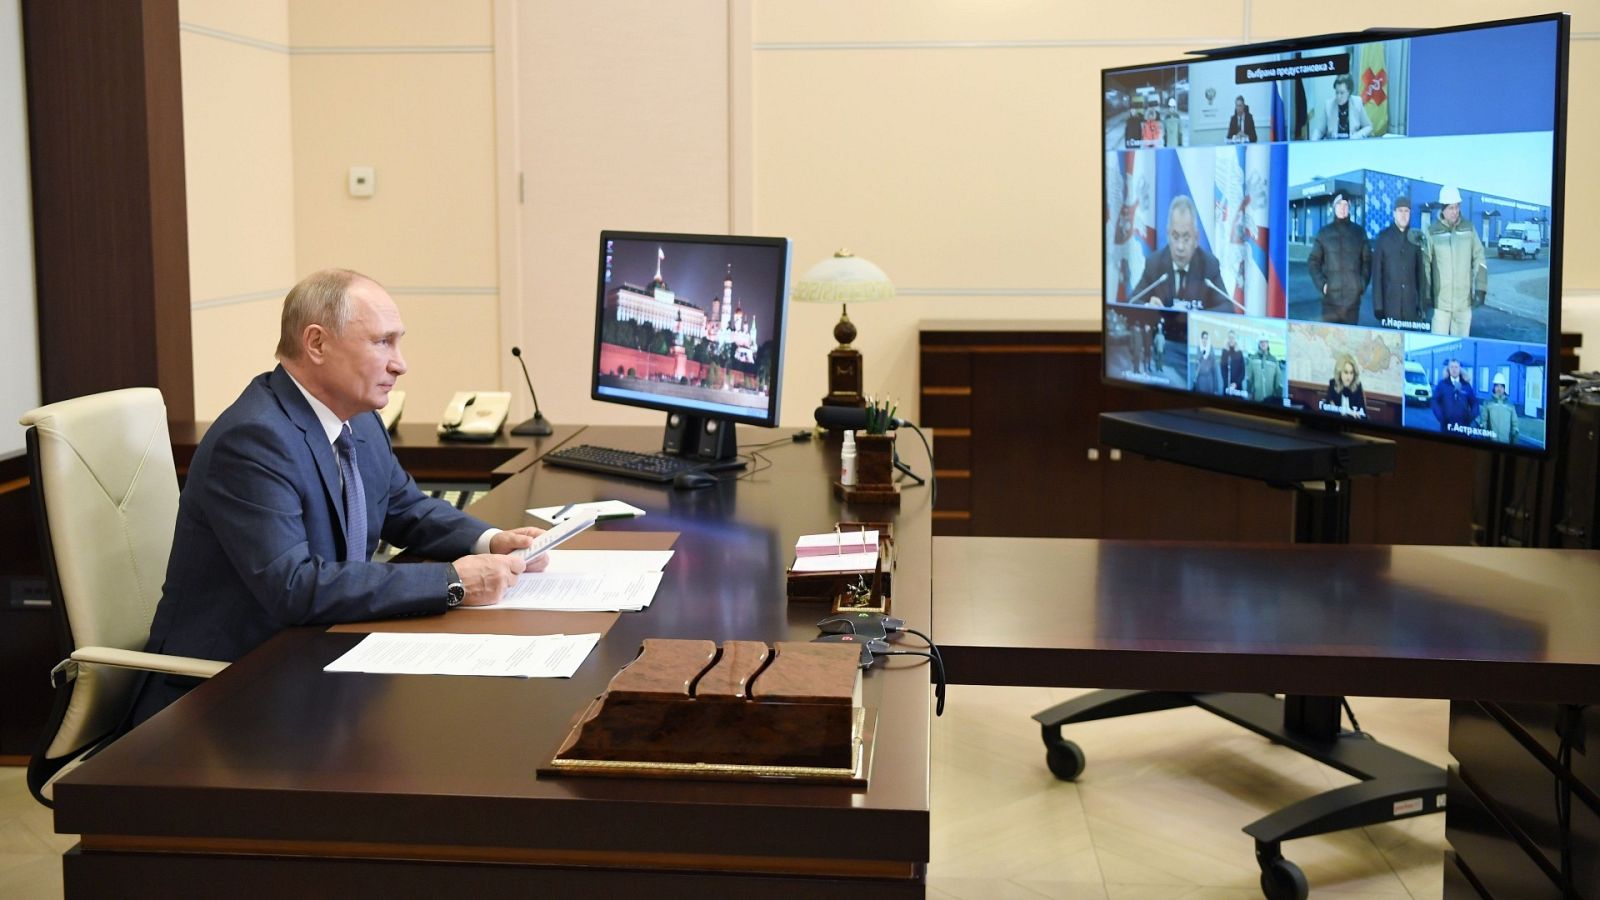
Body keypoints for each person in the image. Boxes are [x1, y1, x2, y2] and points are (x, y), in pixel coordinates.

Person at [130, 269, 550, 726]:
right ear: (317, 344)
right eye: (382, 342)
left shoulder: (357, 419)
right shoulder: (254, 439)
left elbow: (404, 507)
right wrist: (453, 581)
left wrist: (489, 541)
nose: (400, 363)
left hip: (315, 658)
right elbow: (295, 587)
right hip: (227, 695)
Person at [1130, 195, 1227, 310]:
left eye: (1186, 238)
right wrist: (1148, 307)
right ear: (1168, 235)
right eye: (1175, 237)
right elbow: (1132, 302)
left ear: (1196, 238)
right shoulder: (1154, 264)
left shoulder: (1209, 265)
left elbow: (1227, 308)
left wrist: (1199, 318)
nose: (1180, 247)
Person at [1422, 186, 1488, 337]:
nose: (1455, 211)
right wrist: (1425, 293)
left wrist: (1481, 288)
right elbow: (1425, 263)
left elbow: (1480, 257)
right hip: (1441, 304)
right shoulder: (1432, 232)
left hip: (1463, 304)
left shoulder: (1469, 229)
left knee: (1461, 346)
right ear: (1443, 209)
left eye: (1457, 207)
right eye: (1451, 208)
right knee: (1438, 345)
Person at [1307, 193, 1371, 325]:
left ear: (1349, 208)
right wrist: (1323, 285)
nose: (1342, 208)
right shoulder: (1324, 233)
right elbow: (1313, 261)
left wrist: (1361, 284)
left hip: (1352, 302)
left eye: (1345, 205)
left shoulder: (1359, 232)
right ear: (1334, 208)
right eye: (1339, 204)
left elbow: (1368, 261)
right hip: (1330, 301)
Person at [1371, 196, 1427, 326]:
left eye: (1406, 211)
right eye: (1400, 211)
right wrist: (1378, 306)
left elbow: (1421, 275)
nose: (1403, 215)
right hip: (1389, 307)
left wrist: (1422, 304)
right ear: (1394, 213)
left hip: (1410, 308)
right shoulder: (1383, 238)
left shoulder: (1416, 238)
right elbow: (1377, 276)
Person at [1310, 74, 1373, 140]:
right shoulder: (1328, 105)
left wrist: (1356, 136)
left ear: (1349, 92)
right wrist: (1312, 142)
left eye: (1342, 93)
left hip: (1352, 144)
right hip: (1334, 145)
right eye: (1337, 92)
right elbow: (1319, 130)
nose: (1338, 96)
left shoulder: (1357, 103)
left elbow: (1368, 126)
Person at [1431, 357, 1480, 430]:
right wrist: (1440, 417)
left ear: (1460, 369)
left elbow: (1474, 403)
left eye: (1456, 367)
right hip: (1446, 427)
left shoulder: (1466, 385)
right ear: (1448, 369)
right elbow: (1434, 401)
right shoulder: (1442, 384)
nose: (1454, 369)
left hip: (1463, 427)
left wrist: (1470, 417)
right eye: (1452, 367)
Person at [1476, 372, 1520, 445]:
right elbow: (1484, 420)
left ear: (1504, 388)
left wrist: (1514, 438)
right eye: (1497, 386)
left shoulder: (1510, 404)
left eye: (1501, 386)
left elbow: (1515, 424)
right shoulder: (1488, 403)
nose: (1499, 389)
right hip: (1492, 443)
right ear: (1494, 387)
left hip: (1506, 442)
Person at [1324, 352, 1367, 418]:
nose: (1349, 377)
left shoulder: (1357, 386)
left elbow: (1363, 414)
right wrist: (1347, 411)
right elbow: (1327, 410)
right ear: (1339, 372)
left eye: (1351, 373)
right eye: (1346, 372)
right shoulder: (1333, 384)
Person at [1245, 338, 1282, 403]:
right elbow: (1249, 378)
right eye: (1261, 342)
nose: (1263, 344)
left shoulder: (1273, 359)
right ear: (1259, 344)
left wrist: (1278, 396)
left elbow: (1278, 379)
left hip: (1270, 398)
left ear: (1268, 344)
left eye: (1265, 342)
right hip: (1256, 398)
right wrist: (1249, 393)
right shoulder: (1253, 358)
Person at [1192, 330, 1222, 395]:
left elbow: (1215, 369)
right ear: (1201, 339)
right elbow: (1197, 365)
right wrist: (1203, 352)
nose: (1205, 340)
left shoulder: (1211, 350)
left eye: (1206, 338)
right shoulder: (1198, 349)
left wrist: (1216, 388)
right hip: (1201, 380)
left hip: (1209, 379)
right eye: (1203, 338)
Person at [1219, 331, 1246, 396]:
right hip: (1227, 386)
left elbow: (1242, 371)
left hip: (1237, 386)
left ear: (1235, 339)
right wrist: (1227, 383)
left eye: (1233, 338)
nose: (1231, 340)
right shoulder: (1224, 352)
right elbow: (1223, 370)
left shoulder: (1239, 353)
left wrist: (1236, 383)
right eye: (1229, 337)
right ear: (1227, 339)